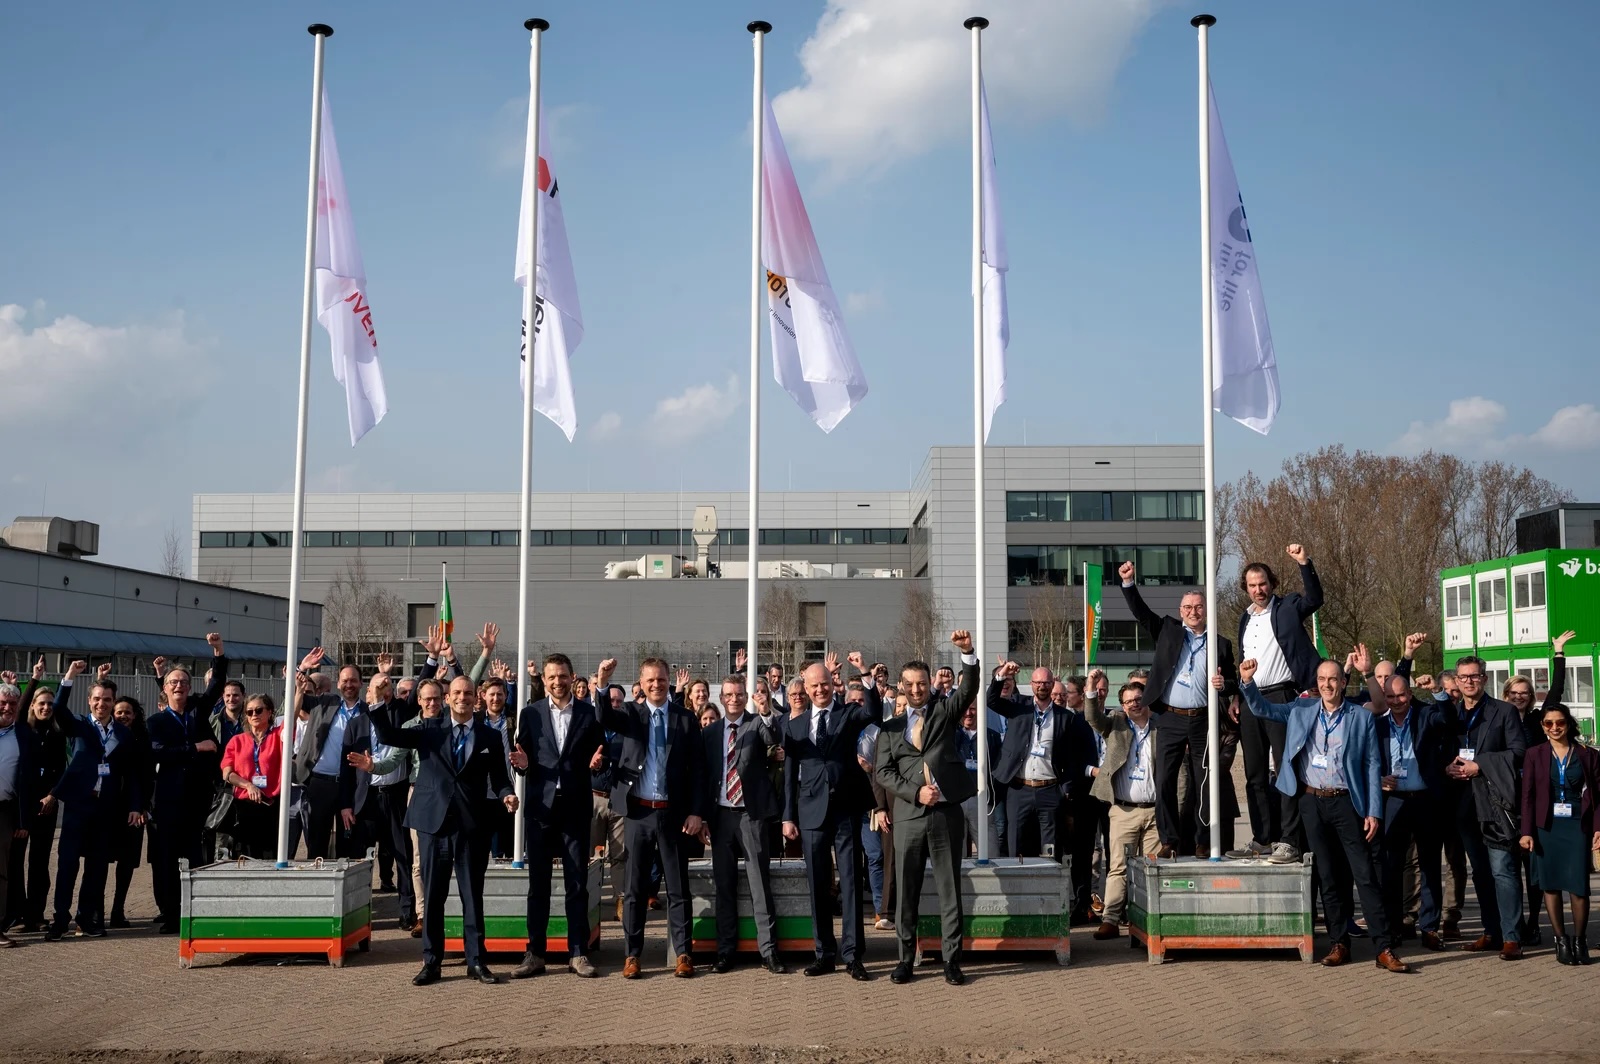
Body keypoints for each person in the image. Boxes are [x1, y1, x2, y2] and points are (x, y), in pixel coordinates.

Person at [1231, 647, 1408, 973]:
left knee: (1364, 876)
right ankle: (1340, 943)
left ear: (1343, 682)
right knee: (1327, 877)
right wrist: (1247, 682)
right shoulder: (1301, 710)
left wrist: (1373, 810)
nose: (1327, 685)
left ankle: (1383, 946)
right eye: (1322, 680)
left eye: (1333, 679)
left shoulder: (1361, 717)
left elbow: (1371, 765)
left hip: (1347, 803)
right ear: (1317, 682)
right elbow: (1261, 708)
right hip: (1311, 802)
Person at [368, 672, 518, 986]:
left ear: (476, 699)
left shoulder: (489, 736)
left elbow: (501, 778)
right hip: (432, 824)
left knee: (471, 897)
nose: (462, 698)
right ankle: (431, 963)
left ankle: (477, 962)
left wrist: (507, 794)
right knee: (434, 897)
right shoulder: (428, 730)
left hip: (471, 827)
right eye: (457, 694)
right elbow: (388, 737)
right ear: (448, 699)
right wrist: (379, 702)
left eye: (468, 694)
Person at [876, 631, 980, 986]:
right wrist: (915, 792)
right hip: (908, 818)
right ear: (901, 686)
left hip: (946, 814)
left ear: (929, 684)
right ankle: (905, 960)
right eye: (910, 684)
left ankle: (952, 961)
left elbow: (968, 691)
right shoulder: (889, 729)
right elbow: (883, 773)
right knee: (906, 893)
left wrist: (967, 653)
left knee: (950, 889)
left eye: (922, 683)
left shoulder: (944, 712)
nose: (917, 689)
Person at [1119, 562, 1240, 860]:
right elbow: (1141, 613)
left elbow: (1234, 681)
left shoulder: (1220, 644)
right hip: (1170, 717)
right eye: (1188, 607)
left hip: (1203, 718)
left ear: (1206, 610)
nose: (1193, 612)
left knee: (1204, 782)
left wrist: (1224, 685)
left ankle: (1202, 840)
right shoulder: (1169, 631)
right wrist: (1129, 583)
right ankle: (1169, 839)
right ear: (1180, 609)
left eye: (1198, 607)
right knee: (1165, 780)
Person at [594, 656, 706, 979]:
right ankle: (632, 955)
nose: (656, 685)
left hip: (673, 815)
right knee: (634, 888)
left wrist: (696, 812)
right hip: (638, 813)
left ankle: (683, 953)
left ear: (669, 681)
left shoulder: (685, 719)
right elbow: (603, 715)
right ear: (641, 684)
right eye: (650, 681)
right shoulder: (631, 715)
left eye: (661, 679)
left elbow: (699, 770)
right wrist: (602, 683)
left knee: (677, 887)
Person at [508, 653, 606, 980]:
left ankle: (578, 952)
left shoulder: (589, 715)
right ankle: (535, 953)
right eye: (551, 677)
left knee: (577, 884)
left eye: (562, 676)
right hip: (541, 810)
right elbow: (522, 759)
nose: (557, 682)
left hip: (575, 808)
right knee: (539, 886)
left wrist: (598, 763)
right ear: (545, 680)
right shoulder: (530, 714)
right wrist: (521, 764)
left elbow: (600, 755)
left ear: (571, 676)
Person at [782, 656, 880, 980]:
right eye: (814, 685)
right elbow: (788, 775)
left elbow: (873, 713)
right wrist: (788, 817)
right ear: (805, 689)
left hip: (846, 809)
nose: (820, 689)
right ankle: (824, 953)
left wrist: (865, 675)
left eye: (825, 683)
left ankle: (853, 956)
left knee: (851, 882)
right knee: (818, 886)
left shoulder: (847, 714)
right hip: (811, 812)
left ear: (832, 683)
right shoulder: (794, 724)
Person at [44, 660, 146, 940]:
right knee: (67, 864)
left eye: (107, 700)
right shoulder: (77, 725)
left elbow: (132, 773)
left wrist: (136, 805)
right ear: (89, 701)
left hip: (106, 808)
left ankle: (86, 920)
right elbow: (58, 710)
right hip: (79, 805)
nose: (102, 704)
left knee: (97, 868)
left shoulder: (124, 734)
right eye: (97, 699)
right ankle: (60, 920)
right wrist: (70, 676)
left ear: (114, 702)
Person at [1235, 544, 1324, 862]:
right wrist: (1237, 695)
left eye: (1262, 584)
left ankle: (1288, 839)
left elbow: (1315, 599)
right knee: (1255, 774)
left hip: (1283, 697)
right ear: (1245, 588)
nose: (1258, 590)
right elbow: (1242, 660)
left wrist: (1304, 562)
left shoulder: (1287, 607)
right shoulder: (1244, 619)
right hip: (1251, 700)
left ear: (1271, 583)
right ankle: (1262, 837)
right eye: (1252, 585)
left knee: (1285, 769)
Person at [700, 672, 785, 974]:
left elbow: (774, 740)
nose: (734, 699)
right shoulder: (710, 734)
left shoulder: (756, 724)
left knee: (760, 885)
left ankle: (769, 950)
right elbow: (704, 778)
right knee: (724, 886)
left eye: (739, 694)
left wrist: (766, 712)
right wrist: (704, 817)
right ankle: (725, 951)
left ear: (745, 697)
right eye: (728, 695)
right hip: (721, 817)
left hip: (752, 815)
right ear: (721, 699)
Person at [1444, 654, 1526, 959]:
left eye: (1474, 676)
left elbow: (1518, 752)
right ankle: (1491, 931)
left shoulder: (1504, 711)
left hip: (1495, 802)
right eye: (1463, 677)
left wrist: (1480, 765)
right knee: (1479, 871)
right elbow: (1444, 750)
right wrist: (1447, 768)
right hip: (1463, 803)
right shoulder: (1452, 714)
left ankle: (1511, 937)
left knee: (1503, 870)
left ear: (1485, 679)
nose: (1468, 682)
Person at [1364, 672, 1451, 952]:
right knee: (1391, 868)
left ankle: (1429, 927)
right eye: (1390, 696)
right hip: (1393, 803)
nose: (1396, 701)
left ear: (1410, 694)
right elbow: (1366, 762)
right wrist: (1378, 781)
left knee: (1428, 866)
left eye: (1401, 695)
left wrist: (1437, 690)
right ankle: (1394, 927)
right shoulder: (1376, 725)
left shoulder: (1425, 716)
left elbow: (1449, 718)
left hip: (1426, 800)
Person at [147, 633, 228, 933]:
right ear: (164, 689)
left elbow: (216, 686)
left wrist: (218, 652)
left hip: (197, 797)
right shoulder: (156, 723)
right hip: (168, 801)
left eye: (183, 682)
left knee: (195, 856)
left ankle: (194, 910)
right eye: (173, 682)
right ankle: (170, 914)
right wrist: (195, 749)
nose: (179, 686)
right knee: (168, 858)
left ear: (190, 688)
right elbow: (158, 752)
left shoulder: (197, 712)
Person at [986, 660, 1096, 866]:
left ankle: (1050, 893)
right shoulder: (1019, 707)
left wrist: (1066, 788)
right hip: (1019, 789)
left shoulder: (1065, 717)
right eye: (1037, 683)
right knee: (1016, 845)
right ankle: (1019, 892)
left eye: (1046, 683)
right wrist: (1002, 674)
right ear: (1031, 684)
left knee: (1050, 848)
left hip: (1050, 790)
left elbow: (1073, 757)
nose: (1042, 686)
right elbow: (992, 700)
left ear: (1052, 683)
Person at [1519, 702, 1599, 965]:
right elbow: (1528, 796)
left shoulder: (1588, 754)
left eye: (1560, 722)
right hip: (1546, 826)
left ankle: (1580, 940)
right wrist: (1527, 831)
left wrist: (1598, 828)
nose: (1554, 728)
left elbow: (1598, 797)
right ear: (1542, 727)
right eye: (1548, 723)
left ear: (1569, 724)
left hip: (1578, 824)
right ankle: (1560, 940)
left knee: (1579, 886)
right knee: (1550, 885)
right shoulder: (1534, 754)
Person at [292, 648, 375, 860]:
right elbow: (297, 694)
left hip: (353, 787)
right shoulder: (324, 703)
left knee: (349, 842)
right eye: (345, 681)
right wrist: (301, 668)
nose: (349, 685)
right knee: (317, 842)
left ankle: (345, 890)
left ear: (361, 683)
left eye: (353, 681)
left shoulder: (369, 713)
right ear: (338, 684)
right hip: (321, 784)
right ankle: (317, 888)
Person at [7, 660, 67, 934]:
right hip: (21, 808)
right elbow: (16, 711)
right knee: (15, 862)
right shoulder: (21, 731)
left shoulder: (57, 734)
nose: (45, 707)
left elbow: (62, 769)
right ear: (31, 705)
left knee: (40, 864)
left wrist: (52, 795)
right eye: (40, 703)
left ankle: (36, 914)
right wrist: (32, 680)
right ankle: (17, 915)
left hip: (47, 806)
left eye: (49, 704)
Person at [0, 679, 41, 949]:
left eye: (12, 704)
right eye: (2, 703)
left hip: (3, 810)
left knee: (0, 872)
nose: (7, 707)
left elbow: (29, 783)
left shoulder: (23, 735)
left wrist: (23, 819)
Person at [217, 693, 284, 859]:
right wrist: (248, 785)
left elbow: (293, 715)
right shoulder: (237, 741)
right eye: (249, 712)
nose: (254, 715)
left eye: (259, 710)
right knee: (245, 856)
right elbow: (227, 772)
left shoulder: (277, 736)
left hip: (271, 805)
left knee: (270, 856)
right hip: (244, 806)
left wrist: (299, 687)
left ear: (269, 712)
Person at [109, 695, 152, 929]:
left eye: (128, 712)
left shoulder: (142, 740)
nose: (123, 716)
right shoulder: (106, 737)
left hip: (134, 810)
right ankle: (94, 910)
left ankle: (118, 909)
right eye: (119, 712)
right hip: (107, 808)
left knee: (126, 863)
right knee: (100, 861)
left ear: (135, 716)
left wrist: (143, 806)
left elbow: (147, 776)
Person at [590, 684, 628, 921]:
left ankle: (621, 900)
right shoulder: (590, 726)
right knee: (592, 856)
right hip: (594, 797)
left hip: (620, 800)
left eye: (618, 702)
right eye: (611, 700)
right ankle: (591, 901)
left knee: (620, 854)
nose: (614, 704)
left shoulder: (627, 729)